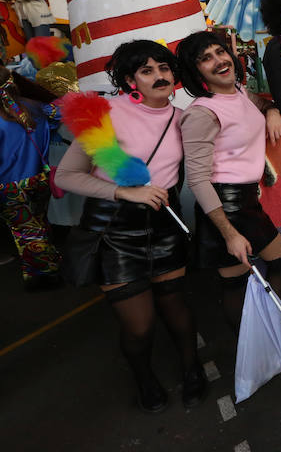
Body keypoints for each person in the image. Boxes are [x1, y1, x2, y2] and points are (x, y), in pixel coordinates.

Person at [55, 40, 206, 412]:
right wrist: (123, 192)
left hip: (164, 226)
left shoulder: (184, 117)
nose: (159, 76)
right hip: (114, 231)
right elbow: (67, 175)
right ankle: (143, 379)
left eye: (164, 68)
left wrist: (266, 107)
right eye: (147, 70)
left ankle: (192, 369)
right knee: (139, 326)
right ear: (130, 80)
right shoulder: (106, 114)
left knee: (177, 310)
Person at [178, 31, 281, 335]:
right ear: (195, 71)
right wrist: (228, 232)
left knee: (280, 259)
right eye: (206, 59)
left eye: (220, 52)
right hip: (222, 205)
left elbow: (262, 104)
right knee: (235, 283)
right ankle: (249, 346)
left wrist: (273, 111)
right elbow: (198, 179)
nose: (219, 61)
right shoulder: (202, 112)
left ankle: (275, 328)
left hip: (247, 201)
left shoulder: (239, 91)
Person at [0, 65, 61, 290]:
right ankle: (51, 261)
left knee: (26, 232)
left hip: (8, 187)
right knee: (39, 222)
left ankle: (44, 276)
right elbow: (59, 115)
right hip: (39, 180)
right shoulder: (36, 107)